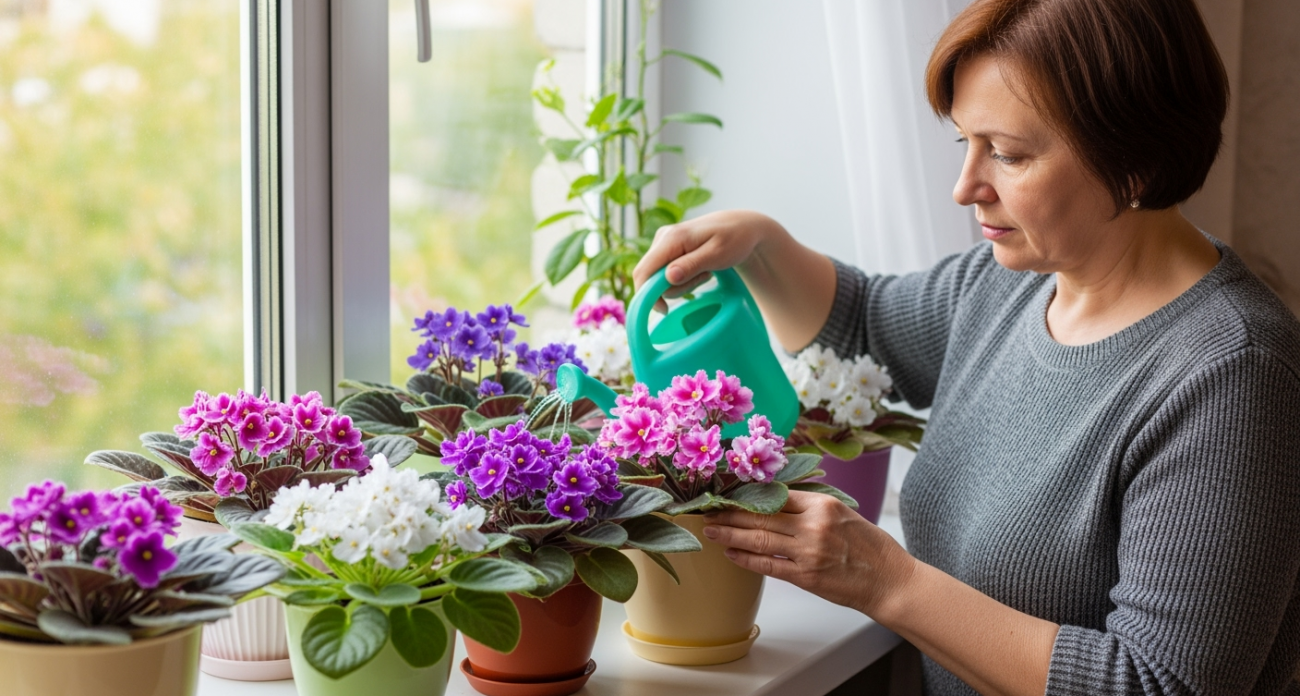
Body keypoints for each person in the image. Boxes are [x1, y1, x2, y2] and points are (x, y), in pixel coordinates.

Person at [630, 0, 1300, 694]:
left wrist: (885, 580)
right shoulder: (1012, 284)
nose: (964, 188)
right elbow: (864, 326)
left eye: (1007, 155)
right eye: (965, 145)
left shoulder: (1233, 374)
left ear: (1134, 160)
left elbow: (1159, 685)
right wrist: (761, 244)